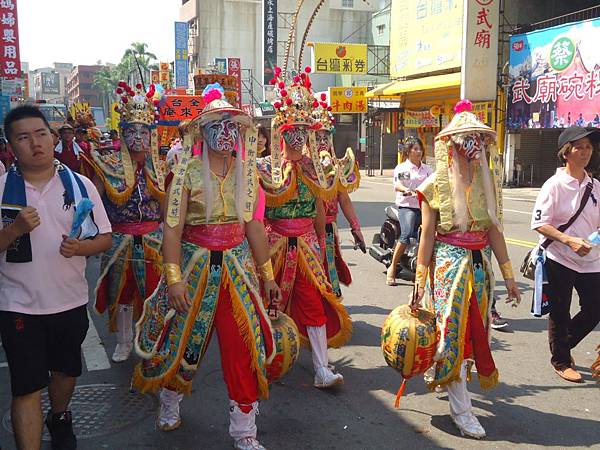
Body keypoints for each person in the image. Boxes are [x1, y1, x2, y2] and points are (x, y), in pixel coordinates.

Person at [134, 84, 279, 450]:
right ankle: (170, 400)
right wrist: (174, 279)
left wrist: (268, 276)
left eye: (234, 126)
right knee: (184, 342)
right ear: (203, 131)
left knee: (242, 347)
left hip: (236, 270)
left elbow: (254, 226)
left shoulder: (247, 174)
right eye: (218, 125)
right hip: (195, 269)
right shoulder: (184, 173)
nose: (227, 133)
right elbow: (172, 229)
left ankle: (244, 430)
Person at [0, 105, 112, 450]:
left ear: (52, 137)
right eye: (23, 137)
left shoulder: (80, 186)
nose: (35, 143)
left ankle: (60, 415)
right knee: (27, 386)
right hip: (19, 305)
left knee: (65, 373)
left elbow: (105, 238)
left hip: (70, 301)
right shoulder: (3, 189)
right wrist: (15, 229)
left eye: (41, 134)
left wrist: (80, 249)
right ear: (11, 146)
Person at [411, 100, 521, 439]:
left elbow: (493, 232)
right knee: (452, 334)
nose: (474, 147)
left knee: (477, 331)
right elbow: (426, 237)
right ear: (452, 146)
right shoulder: (432, 188)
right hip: (448, 269)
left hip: (479, 270)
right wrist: (418, 284)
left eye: (478, 140)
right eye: (467, 140)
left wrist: (509, 277)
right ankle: (463, 411)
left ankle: (452, 382)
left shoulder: (488, 185)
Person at [257, 66, 352, 389]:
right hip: (275, 244)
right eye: (293, 129)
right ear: (280, 131)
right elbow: (255, 218)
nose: (299, 136)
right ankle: (264, 359)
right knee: (268, 302)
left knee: (313, 302)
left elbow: (317, 212)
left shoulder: (315, 169)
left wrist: (325, 251)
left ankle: (322, 368)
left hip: (308, 245)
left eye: (303, 128)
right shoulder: (263, 170)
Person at [82, 81, 165, 363]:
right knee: (123, 294)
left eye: (144, 130)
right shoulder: (108, 164)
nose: (138, 137)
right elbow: (93, 201)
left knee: (155, 292)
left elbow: (169, 206)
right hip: (120, 241)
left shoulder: (161, 165)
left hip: (154, 239)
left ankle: (151, 338)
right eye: (132, 130)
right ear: (123, 132)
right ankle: (124, 341)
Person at [531, 126, 600, 383]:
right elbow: (539, 223)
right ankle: (560, 360)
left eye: (588, 147)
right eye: (579, 147)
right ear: (565, 153)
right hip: (560, 256)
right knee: (560, 310)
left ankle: (563, 345)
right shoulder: (554, 185)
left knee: (595, 308)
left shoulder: (595, 186)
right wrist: (568, 240)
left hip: (591, 259)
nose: (585, 152)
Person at [313, 96, 364, 296]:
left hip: (328, 228)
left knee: (329, 267)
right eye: (318, 136)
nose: (323, 141)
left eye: (326, 136)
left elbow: (343, 198)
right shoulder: (302, 165)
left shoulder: (336, 165)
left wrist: (356, 227)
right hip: (305, 230)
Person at [386, 136, 432, 285]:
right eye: (415, 149)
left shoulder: (427, 170)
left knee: (432, 235)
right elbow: (399, 184)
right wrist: (407, 190)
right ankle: (392, 268)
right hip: (408, 206)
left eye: (420, 149)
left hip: (425, 207)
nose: (419, 152)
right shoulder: (404, 168)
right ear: (408, 151)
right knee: (405, 235)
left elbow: (434, 184)